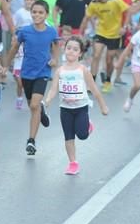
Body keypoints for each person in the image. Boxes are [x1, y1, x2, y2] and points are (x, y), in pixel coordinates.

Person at [43, 35, 109, 175]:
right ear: (64, 50)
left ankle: (88, 125)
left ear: (80, 53)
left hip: (81, 108)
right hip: (65, 109)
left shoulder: (83, 70)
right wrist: (47, 102)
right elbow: (53, 89)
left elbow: (94, 89)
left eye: (75, 49)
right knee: (68, 137)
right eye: (68, 48)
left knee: (82, 135)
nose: (71, 51)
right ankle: (73, 163)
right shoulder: (60, 70)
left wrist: (103, 106)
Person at [4, 0, 59, 156]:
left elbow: (56, 48)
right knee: (32, 106)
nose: (37, 15)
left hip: (43, 73)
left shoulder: (51, 31)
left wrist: (55, 59)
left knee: (34, 105)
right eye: (34, 12)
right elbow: (14, 48)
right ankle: (41, 110)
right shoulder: (25, 31)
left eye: (40, 12)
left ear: (46, 15)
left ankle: (31, 141)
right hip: (26, 73)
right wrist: (5, 65)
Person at [79, 0, 128, 93]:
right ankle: (91, 84)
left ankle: (107, 80)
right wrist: (80, 33)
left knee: (109, 59)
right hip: (100, 32)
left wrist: (124, 26)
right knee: (96, 55)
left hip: (114, 34)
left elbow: (127, 11)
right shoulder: (94, 3)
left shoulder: (115, 0)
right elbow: (86, 18)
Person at [12, 0, 36, 109]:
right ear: (24, 0)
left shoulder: (36, 14)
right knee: (19, 80)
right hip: (20, 45)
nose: (29, 2)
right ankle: (19, 97)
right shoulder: (19, 13)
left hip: (31, 47)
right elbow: (13, 26)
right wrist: (14, 38)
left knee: (27, 78)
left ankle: (28, 97)